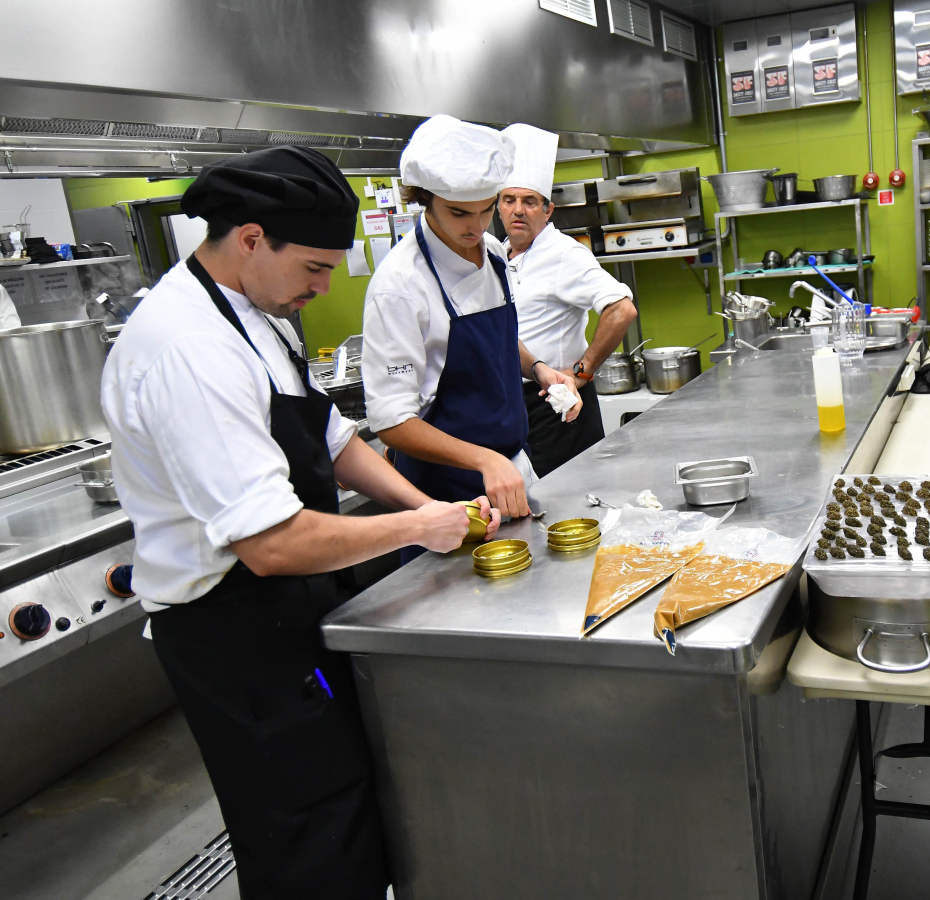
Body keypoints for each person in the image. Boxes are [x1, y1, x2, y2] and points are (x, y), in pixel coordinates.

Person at [100, 146, 500, 899]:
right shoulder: (190, 348)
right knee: (303, 835)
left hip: (290, 609)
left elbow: (329, 435)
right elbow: (274, 544)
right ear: (251, 238)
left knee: (345, 800)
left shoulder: (258, 312)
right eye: (315, 268)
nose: (322, 289)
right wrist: (417, 532)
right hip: (232, 630)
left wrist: (424, 507)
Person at [361, 115, 579, 524]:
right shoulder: (400, 285)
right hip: (445, 494)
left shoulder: (493, 252)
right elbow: (391, 421)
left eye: (485, 210)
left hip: (509, 469)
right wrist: (484, 460)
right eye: (460, 213)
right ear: (424, 197)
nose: (477, 227)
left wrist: (539, 369)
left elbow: (496, 342)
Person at [498, 122, 638, 476]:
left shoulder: (563, 254)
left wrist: (581, 373)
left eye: (529, 202)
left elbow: (621, 310)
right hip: (513, 406)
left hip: (557, 408)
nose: (518, 210)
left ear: (548, 210)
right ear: (497, 206)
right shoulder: (498, 255)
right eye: (509, 200)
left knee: (571, 507)